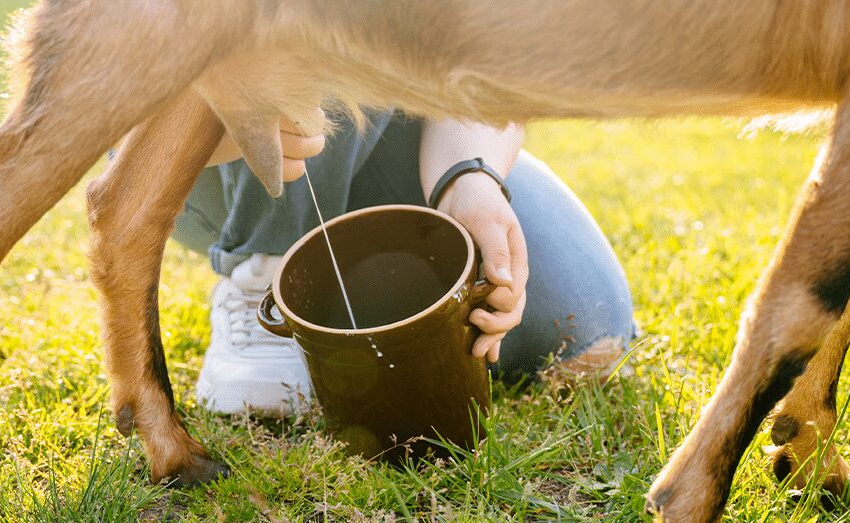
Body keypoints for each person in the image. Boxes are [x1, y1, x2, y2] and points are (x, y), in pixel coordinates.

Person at [171, 108, 635, 415]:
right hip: (206, 140)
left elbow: (480, 56)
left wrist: (467, 177)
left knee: (587, 328)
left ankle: (340, 268)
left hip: (388, 135)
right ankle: (263, 271)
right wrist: (226, 113)